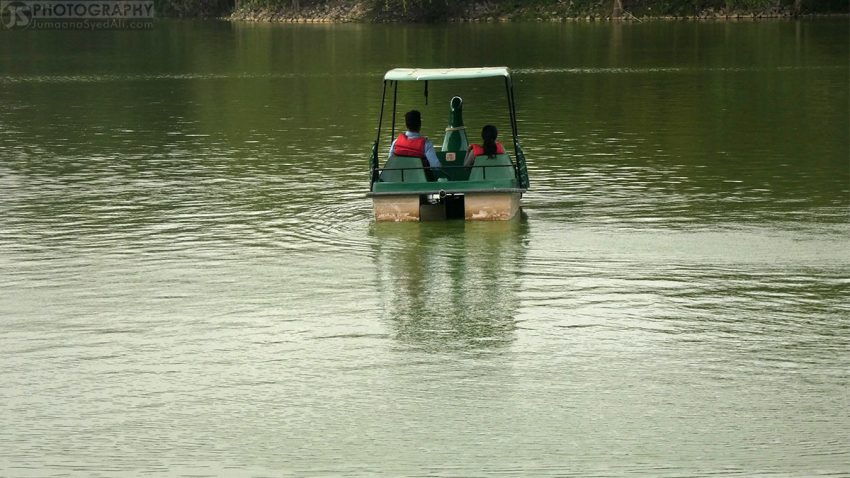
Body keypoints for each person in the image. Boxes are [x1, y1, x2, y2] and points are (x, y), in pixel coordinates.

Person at [388, 110, 441, 178]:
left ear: (406, 125)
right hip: (420, 180)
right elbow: (435, 166)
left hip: (399, 179)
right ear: (420, 124)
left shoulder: (395, 142)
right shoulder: (426, 144)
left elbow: (389, 164)